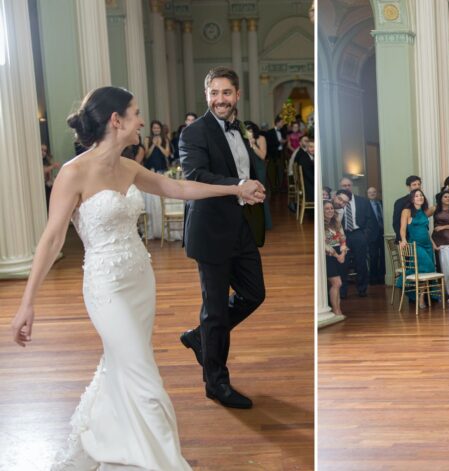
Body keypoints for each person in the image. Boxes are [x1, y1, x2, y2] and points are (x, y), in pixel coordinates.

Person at [9, 86, 264, 469]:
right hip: (105, 287)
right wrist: (26, 303)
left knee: (123, 365)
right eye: (136, 112)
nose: (142, 120)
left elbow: (177, 188)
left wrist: (234, 188)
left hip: (140, 282)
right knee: (144, 378)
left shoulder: (128, 167)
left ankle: (110, 438)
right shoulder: (73, 173)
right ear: (117, 121)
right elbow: (51, 239)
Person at [177, 67, 268, 410]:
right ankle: (216, 383)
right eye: (214, 93)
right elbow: (196, 176)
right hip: (211, 230)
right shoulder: (193, 133)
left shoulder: (239, 130)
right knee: (214, 311)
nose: (220, 100)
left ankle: (200, 337)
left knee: (254, 293)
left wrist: (253, 187)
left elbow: (243, 172)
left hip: (241, 226)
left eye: (226, 93)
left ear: (237, 95)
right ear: (206, 96)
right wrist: (237, 188)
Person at [399, 189, 437, 308]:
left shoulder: (424, 212)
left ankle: (422, 296)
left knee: (427, 271)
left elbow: (426, 231)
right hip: (416, 245)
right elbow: (403, 228)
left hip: (428, 246)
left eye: (421, 195)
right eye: (417, 196)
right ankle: (419, 297)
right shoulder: (407, 211)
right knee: (428, 267)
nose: (420, 197)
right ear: (412, 198)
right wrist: (404, 239)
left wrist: (433, 244)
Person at [337, 181, 375, 298]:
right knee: (343, 263)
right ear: (340, 187)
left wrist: (365, 236)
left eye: (348, 185)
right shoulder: (337, 203)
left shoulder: (363, 201)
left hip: (359, 234)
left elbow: (371, 220)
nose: (347, 187)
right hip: (343, 235)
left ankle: (362, 289)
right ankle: (342, 292)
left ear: (351, 186)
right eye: (344, 186)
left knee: (361, 263)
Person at [245, 121, 272, 230]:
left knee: (260, 193)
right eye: (247, 131)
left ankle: (265, 223)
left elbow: (262, 156)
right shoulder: (242, 140)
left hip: (259, 168)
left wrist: (253, 144)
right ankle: (252, 223)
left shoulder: (261, 138)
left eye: (251, 131)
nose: (249, 133)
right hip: (247, 168)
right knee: (248, 194)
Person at [324, 201, 348, 321]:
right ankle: (336, 310)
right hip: (328, 256)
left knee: (339, 284)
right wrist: (336, 255)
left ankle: (337, 309)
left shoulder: (336, 222)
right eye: (327, 209)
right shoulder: (320, 225)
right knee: (336, 283)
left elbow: (343, 238)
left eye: (331, 208)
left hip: (340, 254)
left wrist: (343, 253)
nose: (330, 210)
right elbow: (323, 244)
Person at [366, 186, 387, 284]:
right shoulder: (365, 205)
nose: (372, 194)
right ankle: (373, 279)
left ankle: (381, 277)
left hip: (383, 233)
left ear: (377, 193)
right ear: (367, 194)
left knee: (383, 256)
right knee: (373, 257)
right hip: (371, 235)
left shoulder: (382, 203)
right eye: (370, 192)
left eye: (374, 192)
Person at [392, 175, 421, 240]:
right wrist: (403, 240)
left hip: (421, 239)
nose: (417, 186)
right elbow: (396, 223)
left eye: (419, 184)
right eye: (414, 185)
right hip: (407, 240)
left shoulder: (422, 201)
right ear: (409, 187)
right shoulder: (400, 202)